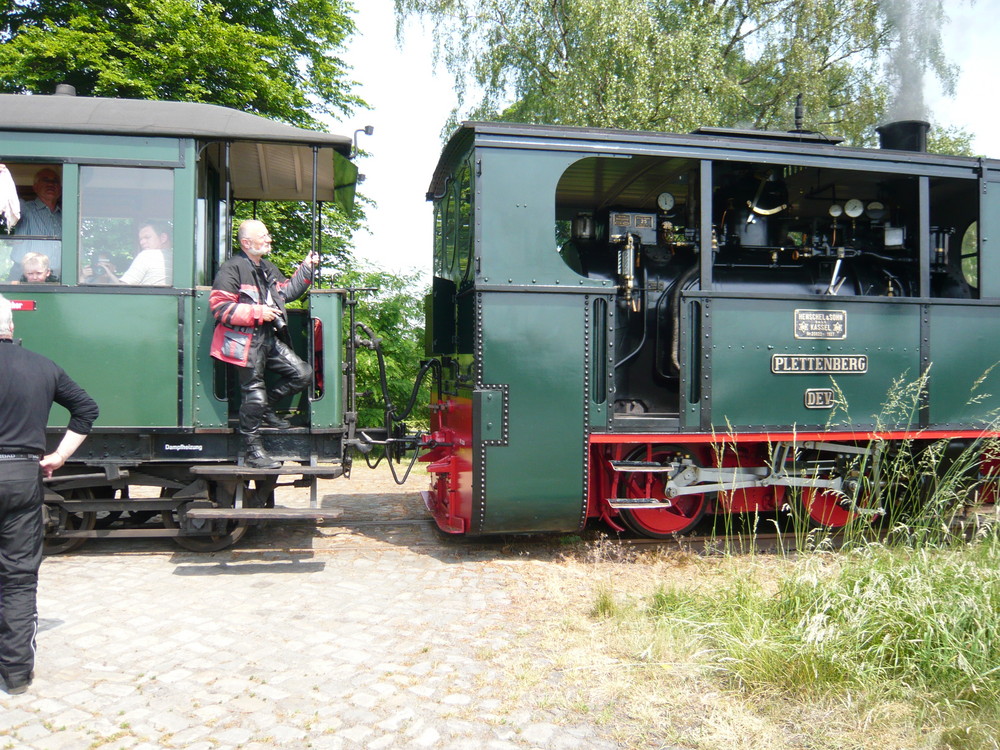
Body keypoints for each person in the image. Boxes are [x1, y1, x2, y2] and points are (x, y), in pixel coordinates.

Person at [0, 294, 98, 695]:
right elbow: (86, 409)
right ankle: (17, 673)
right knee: (19, 578)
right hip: (23, 474)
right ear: (11, 326)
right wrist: (58, 455)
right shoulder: (41, 366)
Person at [209, 220, 317, 469]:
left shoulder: (266, 267)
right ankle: (253, 451)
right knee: (253, 394)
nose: (269, 239)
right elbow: (220, 308)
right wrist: (257, 312)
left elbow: (286, 292)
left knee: (303, 373)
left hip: (267, 338)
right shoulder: (231, 268)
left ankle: (267, 409)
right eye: (264, 236)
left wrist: (307, 268)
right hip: (242, 342)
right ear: (247, 243)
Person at [7, 168, 62, 281]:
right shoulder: (23, 208)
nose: (51, 184)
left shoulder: (63, 216)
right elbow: (5, 202)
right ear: (35, 187)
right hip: (24, 276)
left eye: (55, 181)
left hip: (55, 277)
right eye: (45, 180)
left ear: (60, 189)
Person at [84, 221, 172, 286]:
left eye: (147, 237)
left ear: (163, 237)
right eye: (140, 239)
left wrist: (109, 274)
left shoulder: (147, 255)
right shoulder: (176, 259)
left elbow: (123, 289)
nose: (142, 242)